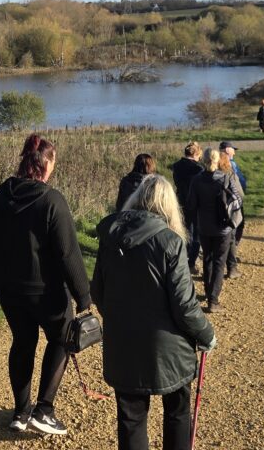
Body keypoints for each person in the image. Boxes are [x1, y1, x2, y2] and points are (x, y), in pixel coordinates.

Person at [0, 134, 92, 435]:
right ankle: (44, 411)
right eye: (54, 161)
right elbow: (68, 253)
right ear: (46, 163)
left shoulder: (2, 194)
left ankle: (20, 412)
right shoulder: (52, 200)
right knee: (62, 338)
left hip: (9, 290)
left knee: (23, 342)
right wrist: (84, 297)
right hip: (45, 291)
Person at [92, 175, 216, 450]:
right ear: (169, 206)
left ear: (137, 199)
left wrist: (122, 317)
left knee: (131, 418)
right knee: (178, 412)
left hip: (123, 345)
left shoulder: (110, 237)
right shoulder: (171, 242)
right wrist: (206, 333)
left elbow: (98, 293)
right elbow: (184, 305)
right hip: (169, 349)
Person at [185, 147, 242, 312]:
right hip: (223, 227)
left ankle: (209, 293)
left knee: (208, 260)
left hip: (204, 226)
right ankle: (213, 300)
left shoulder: (196, 180)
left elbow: (191, 205)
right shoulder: (225, 178)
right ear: (218, 161)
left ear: (204, 160)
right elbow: (237, 201)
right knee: (219, 262)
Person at [170, 141, 204, 273]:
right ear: (196, 154)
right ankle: (191, 262)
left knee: (182, 230)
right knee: (196, 233)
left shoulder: (176, 166)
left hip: (180, 201)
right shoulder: (198, 169)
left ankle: (182, 259)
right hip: (195, 203)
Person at [219, 141, 246, 277]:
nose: (234, 152)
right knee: (232, 234)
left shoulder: (208, 169)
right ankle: (231, 266)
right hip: (232, 205)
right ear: (227, 151)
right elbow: (239, 189)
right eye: (233, 150)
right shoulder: (231, 168)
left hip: (213, 212)